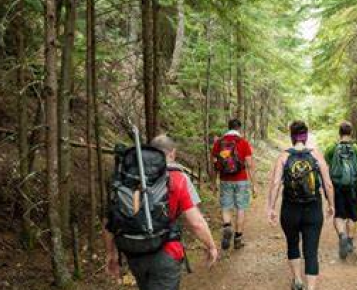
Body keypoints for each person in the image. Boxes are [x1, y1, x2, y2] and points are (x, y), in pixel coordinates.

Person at [104, 134, 218, 290]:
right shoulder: (178, 177)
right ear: (172, 153)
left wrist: (111, 254)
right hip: (166, 252)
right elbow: (196, 222)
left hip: (133, 251)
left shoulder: (128, 177)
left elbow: (111, 220)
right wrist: (211, 245)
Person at [266, 121, 335, 290]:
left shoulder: (283, 156)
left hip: (290, 209)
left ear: (292, 136)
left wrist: (271, 208)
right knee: (311, 251)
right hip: (313, 209)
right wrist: (331, 204)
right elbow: (328, 184)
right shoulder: (316, 155)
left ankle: (297, 281)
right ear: (306, 136)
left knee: (292, 243)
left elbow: (275, 184)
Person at [323, 121, 357, 260]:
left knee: (339, 215)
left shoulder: (331, 148)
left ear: (339, 133)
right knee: (352, 215)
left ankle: (342, 235)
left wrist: (326, 186)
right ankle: (349, 241)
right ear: (351, 133)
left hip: (337, 185)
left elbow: (325, 168)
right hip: (353, 186)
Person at [211, 119, 257, 250]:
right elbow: (249, 164)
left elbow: (215, 164)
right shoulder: (243, 142)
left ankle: (227, 226)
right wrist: (254, 185)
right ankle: (238, 239)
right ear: (239, 129)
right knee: (240, 208)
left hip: (225, 179)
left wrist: (214, 182)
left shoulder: (219, 143)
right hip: (241, 179)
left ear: (228, 127)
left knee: (226, 206)